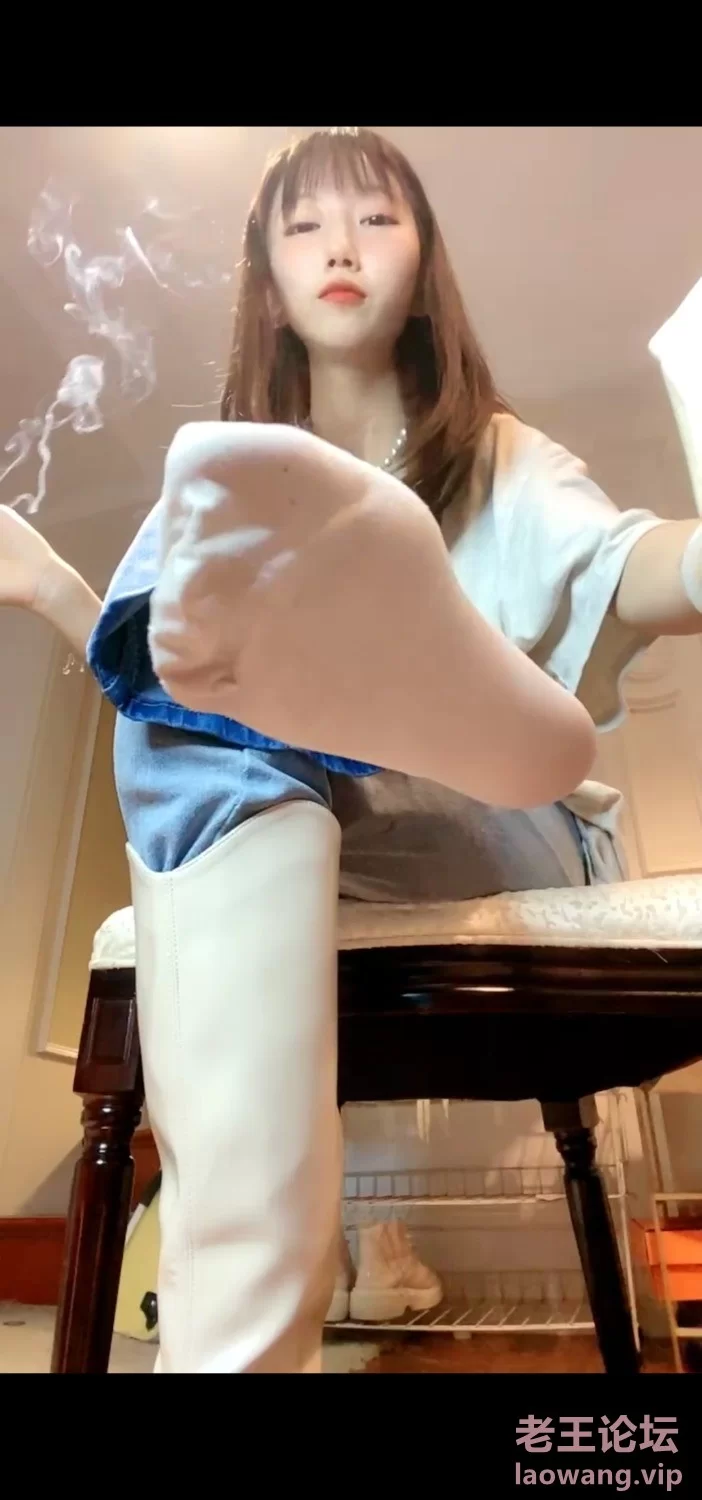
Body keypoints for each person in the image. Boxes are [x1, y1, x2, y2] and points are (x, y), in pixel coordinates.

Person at [2, 126, 702, 1375]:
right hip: (303, 826)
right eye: (305, 225)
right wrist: (60, 589)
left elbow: (622, 561)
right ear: (269, 286)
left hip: (507, 834)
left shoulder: (498, 455)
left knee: (226, 633)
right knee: (212, 648)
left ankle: (422, 689)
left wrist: (694, 561)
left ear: (422, 268)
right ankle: (237, 1352)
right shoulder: (235, 482)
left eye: (376, 219)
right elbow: (178, 681)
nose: (340, 245)